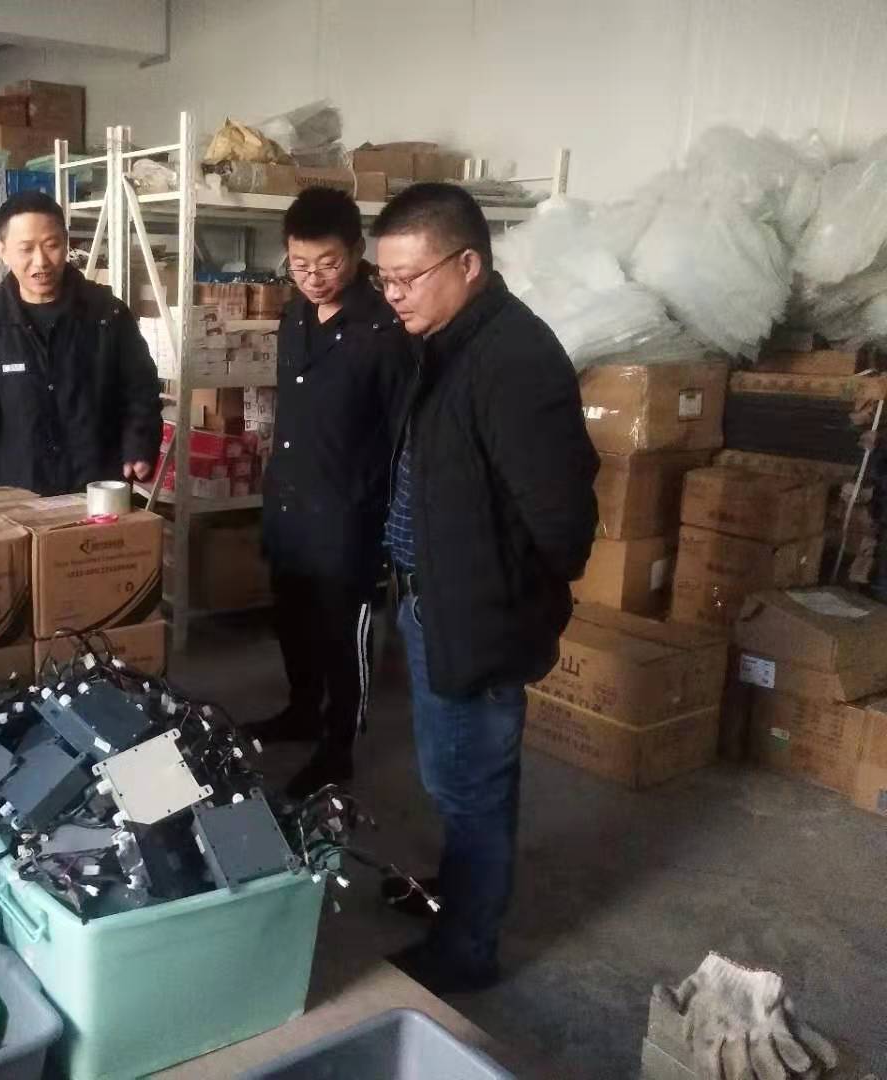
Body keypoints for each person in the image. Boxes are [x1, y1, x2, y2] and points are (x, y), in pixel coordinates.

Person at [371, 183, 598, 993]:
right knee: (452, 774)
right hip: (435, 599)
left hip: (476, 613)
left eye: (409, 278)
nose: (394, 295)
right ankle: (457, 891)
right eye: (384, 280)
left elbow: (564, 523)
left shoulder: (515, 360)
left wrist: (498, 595)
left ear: (468, 264)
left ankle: (467, 949)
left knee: (472, 785)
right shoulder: (446, 342)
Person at [255, 187, 410, 799]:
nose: (314, 278)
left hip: (349, 514)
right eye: (300, 265)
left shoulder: (384, 329)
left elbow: (402, 433)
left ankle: (338, 746)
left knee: (343, 637)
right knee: (292, 621)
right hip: (290, 505)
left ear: (357, 251)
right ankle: (301, 711)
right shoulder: (294, 316)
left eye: (328, 264)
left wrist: (389, 520)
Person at [0, 190, 163, 495]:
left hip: (96, 490)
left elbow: (141, 390)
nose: (40, 261)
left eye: (51, 245)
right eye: (26, 249)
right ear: (3, 251)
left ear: (66, 243)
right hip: (18, 492)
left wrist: (139, 443)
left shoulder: (107, 314)